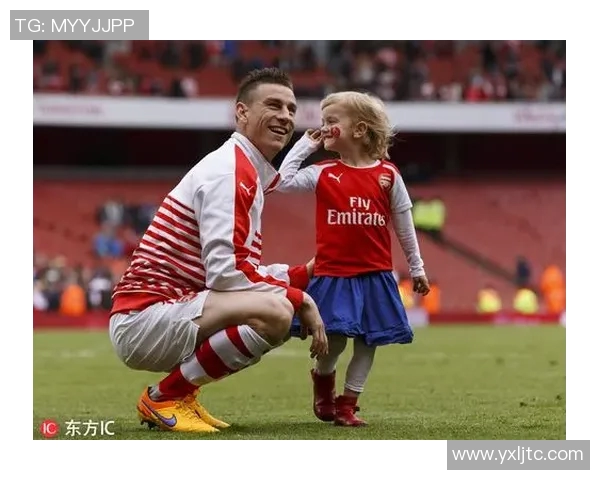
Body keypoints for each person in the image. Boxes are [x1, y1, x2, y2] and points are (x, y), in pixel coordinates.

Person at [108, 68, 328, 434]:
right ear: (241, 112)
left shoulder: (242, 169)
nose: (285, 116)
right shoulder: (230, 173)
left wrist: (302, 273)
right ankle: (165, 397)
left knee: (274, 303)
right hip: (145, 319)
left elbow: (237, 272)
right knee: (276, 311)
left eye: (291, 109)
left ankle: (181, 395)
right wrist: (299, 298)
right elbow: (227, 276)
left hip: (170, 309)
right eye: (273, 105)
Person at [275, 91, 429, 426]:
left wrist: (416, 267)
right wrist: (305, 145)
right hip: (335, 275)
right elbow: (281, 182)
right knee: (334, 340)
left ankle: (348, 405)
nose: (325, 127)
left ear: (359, 130)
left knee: (368, 343)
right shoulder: (323, 172)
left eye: (331, 121)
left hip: (376, 275)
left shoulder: (388, 175)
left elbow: (404, 225)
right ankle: (323, 382)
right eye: (322, 121)